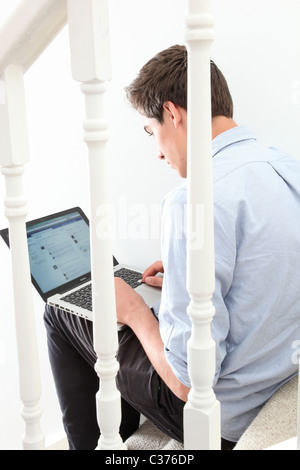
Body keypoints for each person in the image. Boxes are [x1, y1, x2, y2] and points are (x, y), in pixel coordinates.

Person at [44, 44, 300, 450]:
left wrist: (136, 314)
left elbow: (187, 383)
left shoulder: (191, 202)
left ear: (174, 113)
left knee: (58, 312)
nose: (158, 152)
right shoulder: (284, 166)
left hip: (222, 418)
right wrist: (187, 276)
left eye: (152, 132)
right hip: (280, 375)